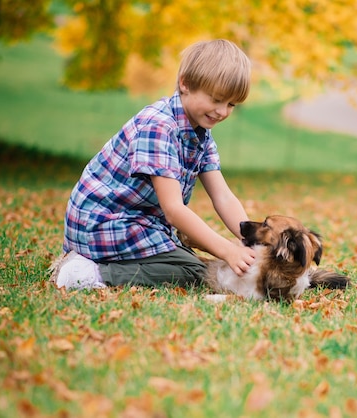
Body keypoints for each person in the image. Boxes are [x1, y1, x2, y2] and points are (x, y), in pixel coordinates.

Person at [50, 39, 256, 290]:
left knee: (192, 262)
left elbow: (222, 196)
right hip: (103, 223)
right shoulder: (159, 126)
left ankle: (105, 264)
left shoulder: (200, 132)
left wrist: (251, 242)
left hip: (136, 223)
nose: (222, 111)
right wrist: (226, 250)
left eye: (231, 104)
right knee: (194, 272)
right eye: (216, 99)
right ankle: (89, 272)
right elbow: (173, 209)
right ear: (185, 83)